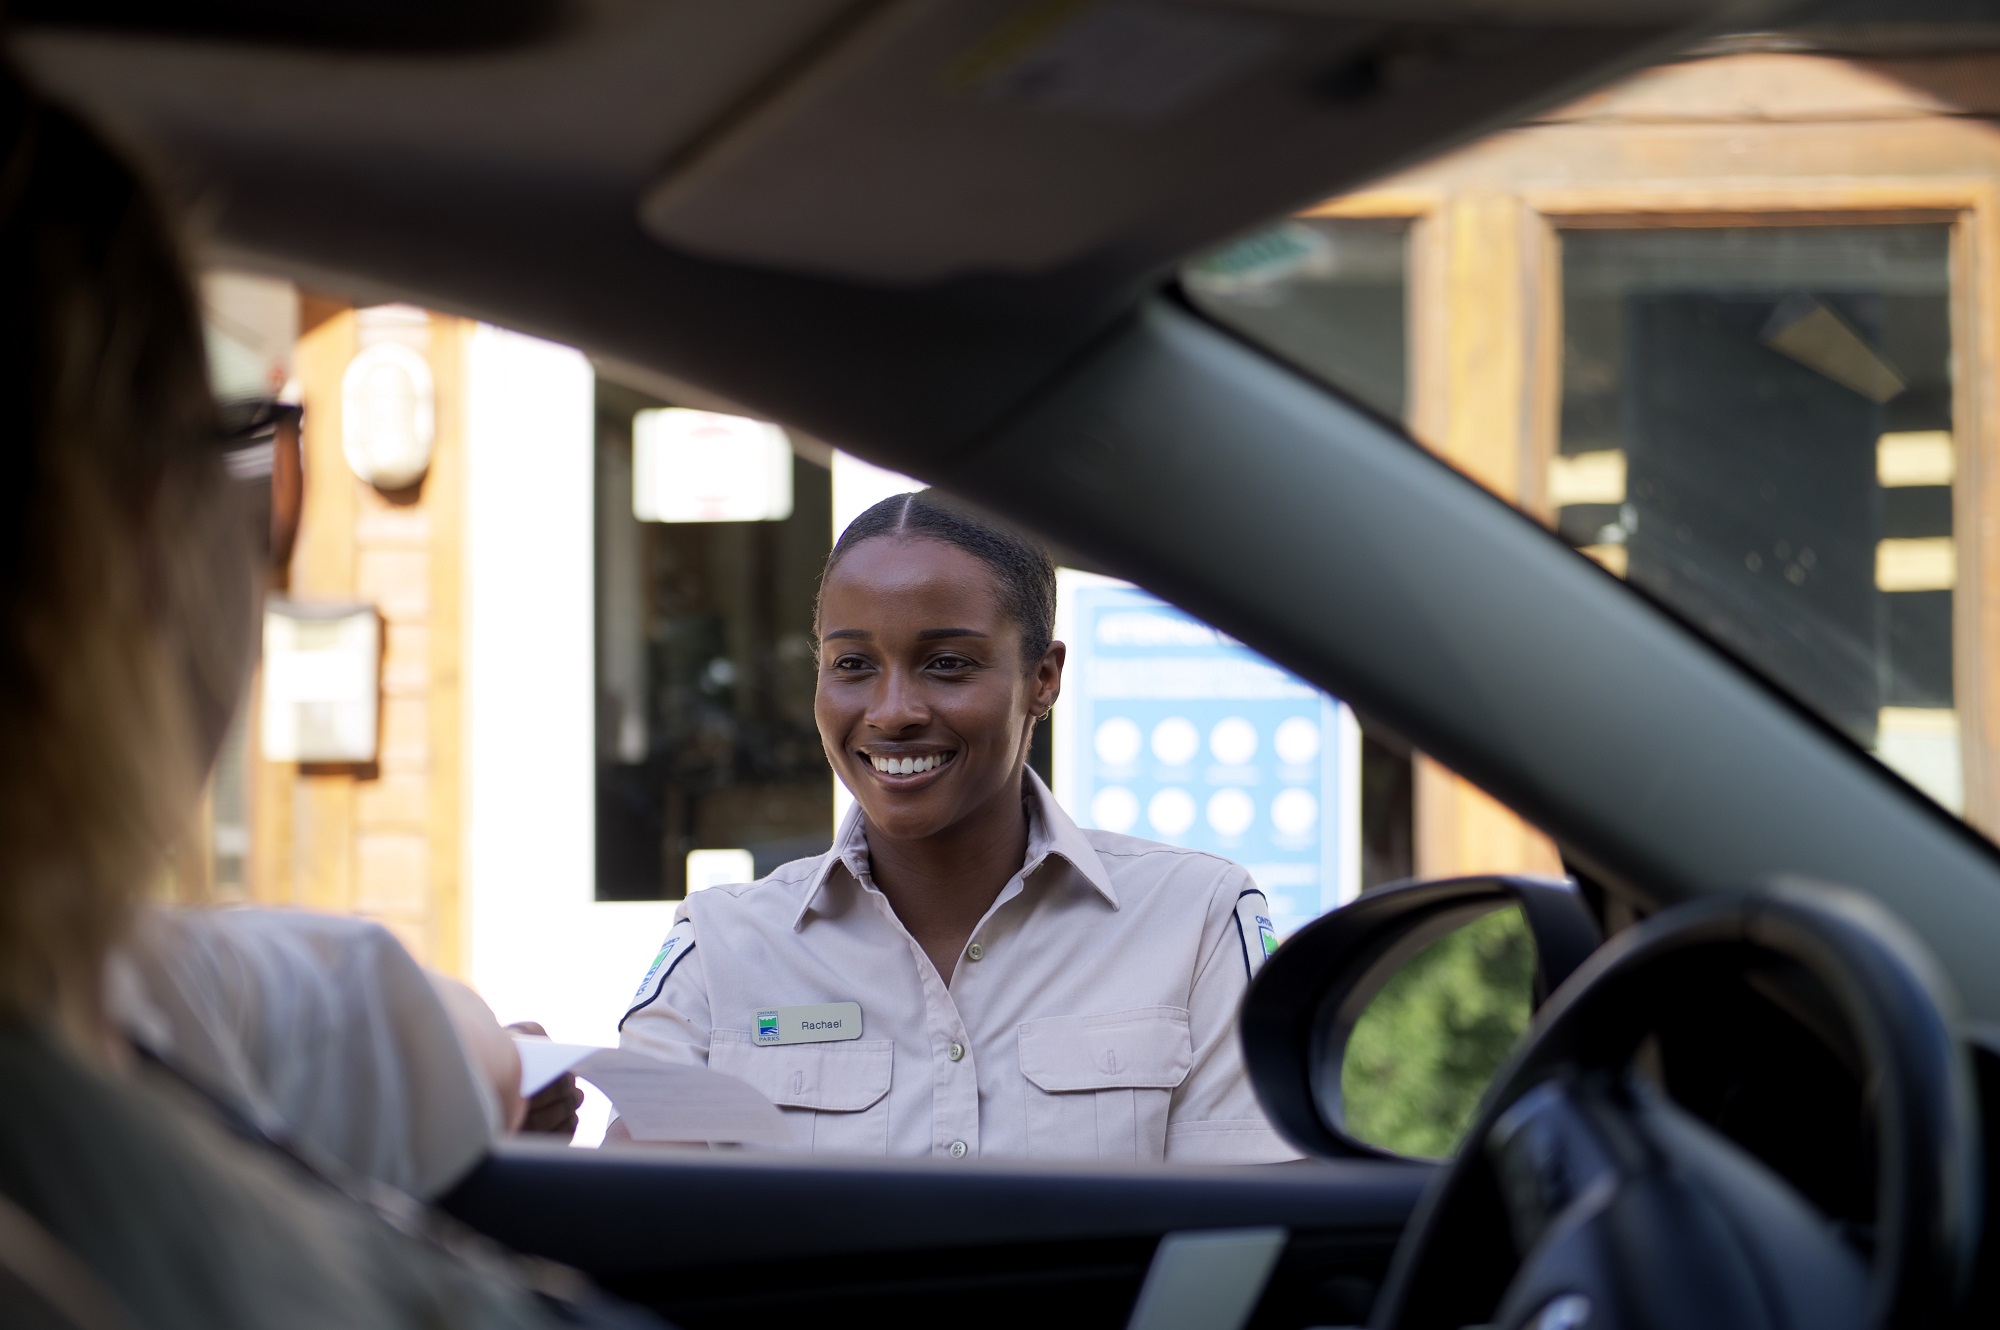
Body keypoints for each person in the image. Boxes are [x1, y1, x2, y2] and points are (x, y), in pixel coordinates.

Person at [0, 66, 656, 1327]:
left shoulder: (127, 991)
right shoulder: (106, 1168)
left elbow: (346, 1007)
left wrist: (502, 1050)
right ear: (128, 542)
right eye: (240, 460)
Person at [618, 491, 1297, 1164]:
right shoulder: (722, 945)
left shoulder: (1195, 919)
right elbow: (624, 1222)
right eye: (852, 664)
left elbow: (1247, 1235)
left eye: (947, 664)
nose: (892, 712)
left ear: (1044, 677)